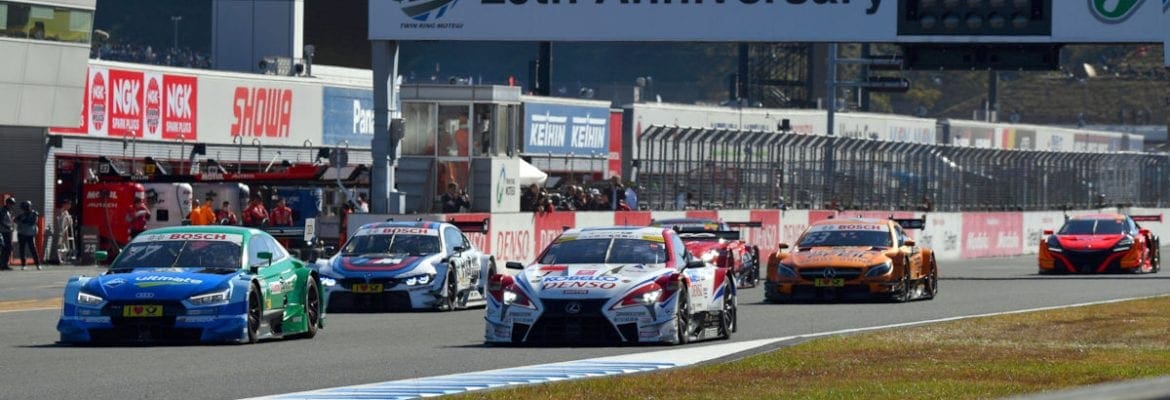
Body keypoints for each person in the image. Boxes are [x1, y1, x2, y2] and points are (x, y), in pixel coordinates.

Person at [15, 201, 40, 270]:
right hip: (21, 233)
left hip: (30, 234)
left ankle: (38, 264)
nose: (25, 209)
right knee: (22, 249)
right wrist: (21, 220)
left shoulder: (34, 214)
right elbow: (15, 220)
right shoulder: (22, 215)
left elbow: (33, 221)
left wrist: (23, 221)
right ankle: (23, 264)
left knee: (33, 249)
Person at [52, 199, 74, 264]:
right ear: (64, 204)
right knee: (59, 245)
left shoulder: (67, 212)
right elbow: (57, 221)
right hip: (59, 232)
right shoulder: (59, 211)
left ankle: (64, 259)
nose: (69, 206)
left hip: (65, 231)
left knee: (65, 246)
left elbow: (70, 222)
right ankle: (58, 259)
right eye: (68, 204)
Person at [0, 197, 14, 270]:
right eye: (11, 204)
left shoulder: (8, 211)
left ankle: (3, 264)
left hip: (7, 232)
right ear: (8, 203)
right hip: (4, 232)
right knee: (6, 248)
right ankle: (3, 264)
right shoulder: (3, 211)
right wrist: (7, 227)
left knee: (7, 248)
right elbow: (1, 221)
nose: (12, 205)